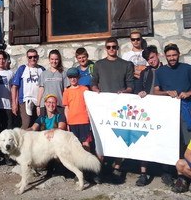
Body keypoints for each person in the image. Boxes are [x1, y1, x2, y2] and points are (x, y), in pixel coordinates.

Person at [91, 37, 134, 180]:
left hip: (120, 108)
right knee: (101, 138)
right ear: (105, 48)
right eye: (108, 47)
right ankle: (98, 169)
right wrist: (96, 90)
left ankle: (116, 168)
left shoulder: (127, 65)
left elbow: (130, 85)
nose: (111, 49)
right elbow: (94, 83)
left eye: (114, 47)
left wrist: (126, 92)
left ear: (117, 48)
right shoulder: (99, 64)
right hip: (103, 107)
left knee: (120, 138)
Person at [154, 43, 191, 188]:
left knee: (186, 144)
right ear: (165, 56)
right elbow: (156, 91)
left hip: (186, 111)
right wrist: (166, 92)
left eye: (174, 55)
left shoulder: (187, 69)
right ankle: (173, 172)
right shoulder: (160, 72)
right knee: (172, 144)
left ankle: (184, 176)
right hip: (168, 113)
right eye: (169, 56)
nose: (172, 58)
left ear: (179, 54)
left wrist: (188, 93)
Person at [134, 45, 163, 186]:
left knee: (164, 141)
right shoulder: (145, 72)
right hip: (148, 113)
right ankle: (143, 173)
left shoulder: (167, 70)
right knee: (143, 142)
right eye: (148, 59)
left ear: (158, 55)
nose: (151, 61)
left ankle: (166, 172)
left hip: (164, 112)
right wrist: (140, 92)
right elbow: (138, 88)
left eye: (152, 57)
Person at [28, 93, 67, 177]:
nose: (51, 105)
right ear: (45, 104)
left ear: (56, 104)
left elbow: (62, 127)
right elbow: (33, 128)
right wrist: (22, 132)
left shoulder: (60, 116)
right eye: (49, 102)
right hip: (45, 147)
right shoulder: (42, 118)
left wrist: (53, 130)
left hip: (57, 146)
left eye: (53, 103)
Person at [11, 49, 45, 129]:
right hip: (25, 100)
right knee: (27, 123)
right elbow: (14, 87)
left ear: (38, 57)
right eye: (30, 57)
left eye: (34, 57)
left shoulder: (42, 70)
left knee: (39, 124)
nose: (33, 59)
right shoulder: (22, 69)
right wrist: (14, 104)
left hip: (38, 101)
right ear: (27, 57)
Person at [0, 50, 15, 165]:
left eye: (3, 59)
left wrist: (14, 104)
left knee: (8, 132)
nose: (1, 61)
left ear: (6, 60)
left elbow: (13, 89)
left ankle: (8, 156)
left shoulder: (10, 73)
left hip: (7, 107)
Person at [62, 68, 90, 150]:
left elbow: (88, 106)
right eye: (70, 77)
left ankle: (87, 162)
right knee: (74, 144)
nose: (73, 79)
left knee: (86, 143)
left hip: (84, 120)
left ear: (78, 77)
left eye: (75, 77)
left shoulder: (85, 89)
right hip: (72, 122)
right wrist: (67, 123)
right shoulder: (66, 91)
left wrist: (89, 119)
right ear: (68, 78)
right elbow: (66, 108)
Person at [36, 49, 69, 116]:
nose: (54, 61)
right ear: (49, 59)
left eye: (56, 59)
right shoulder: (44, 74)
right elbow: (41, 90)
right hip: (45, 106)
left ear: (59, 60)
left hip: (59, 105)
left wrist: (67, 105)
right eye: (52, 59)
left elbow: (66, 91)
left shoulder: (63, 73)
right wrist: (38, 106)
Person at [122, 29, 148, 94]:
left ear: (141, 39)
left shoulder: (146, 53)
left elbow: (148, 69)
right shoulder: (126, 55)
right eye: (133, 39)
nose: (135, 41)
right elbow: (124, 71)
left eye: (138, 39)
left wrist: (134, 71)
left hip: (143, 83)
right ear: (130, 40)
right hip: (130, 83)